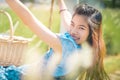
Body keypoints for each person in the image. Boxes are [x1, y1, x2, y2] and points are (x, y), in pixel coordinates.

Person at [0, 0, 110, 80]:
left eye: (81, 28)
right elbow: (66, 17)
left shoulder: (67, 46)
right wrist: (60, 2)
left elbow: (30, 21)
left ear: (92, 31)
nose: (73, 31)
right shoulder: (86, 47)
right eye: (73, 24)